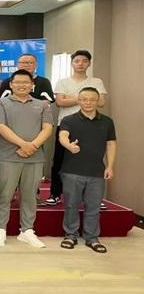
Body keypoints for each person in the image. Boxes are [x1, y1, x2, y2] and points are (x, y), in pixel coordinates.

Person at [0, 69, 53, 248]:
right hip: (8, 156)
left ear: (32, 84)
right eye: (17, 82)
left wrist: (32, 146)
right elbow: (0, 127)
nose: (22, 85)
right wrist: (23, 145)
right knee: (5, 194)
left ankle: (27, 231)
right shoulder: (0, 103)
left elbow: (47, 128)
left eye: (26, 82)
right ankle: (0, 230)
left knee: (30, 195)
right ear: (11, 84)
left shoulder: (42, 104)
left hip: (34, 157)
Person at [58, 87, 116, 253]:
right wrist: (69, 145)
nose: (88, 102)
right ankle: (70, 235)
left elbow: (111, 144)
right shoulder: (69, 120)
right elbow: (63, 136)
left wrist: (110, 166)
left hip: (97, 172)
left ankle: (92, 237)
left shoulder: (107, 121)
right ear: (79, 100)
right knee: (71, 205)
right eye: (84, 99)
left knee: (94, 206)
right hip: (72, 171)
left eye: (92, 99)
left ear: (98, 101)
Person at [47, 50, 107, 206]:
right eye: (77, 61)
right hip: (66, 125)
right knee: (59, 160)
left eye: (84, 61)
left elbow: (101, 102)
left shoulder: (96, 81)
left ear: (89, 63)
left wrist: (72, 98)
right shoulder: (63, 81)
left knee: (92, 160)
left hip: (92, 125)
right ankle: (55, 193)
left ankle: (93, 197)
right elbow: (60, 102)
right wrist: (87, 98)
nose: (80, 64)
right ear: (72, 63)